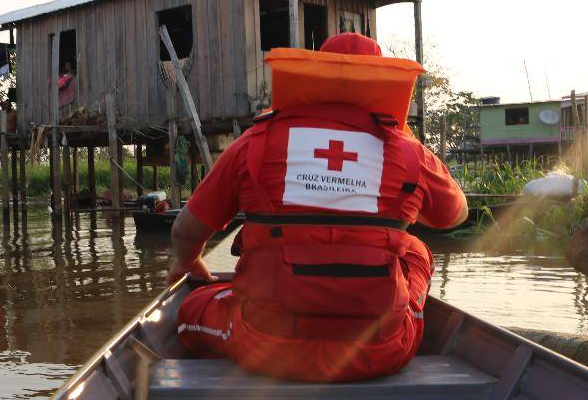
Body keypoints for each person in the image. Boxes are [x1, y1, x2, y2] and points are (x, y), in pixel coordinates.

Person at [167, 33, 467, 382]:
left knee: (191, 309)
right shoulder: (409, 152)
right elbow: (454, 216)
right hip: (381, 351)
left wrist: (188, 264)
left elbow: (184, 231)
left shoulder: (255, 142)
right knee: (416, 249)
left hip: (266, 347)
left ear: (314, 75)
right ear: (386, 82)